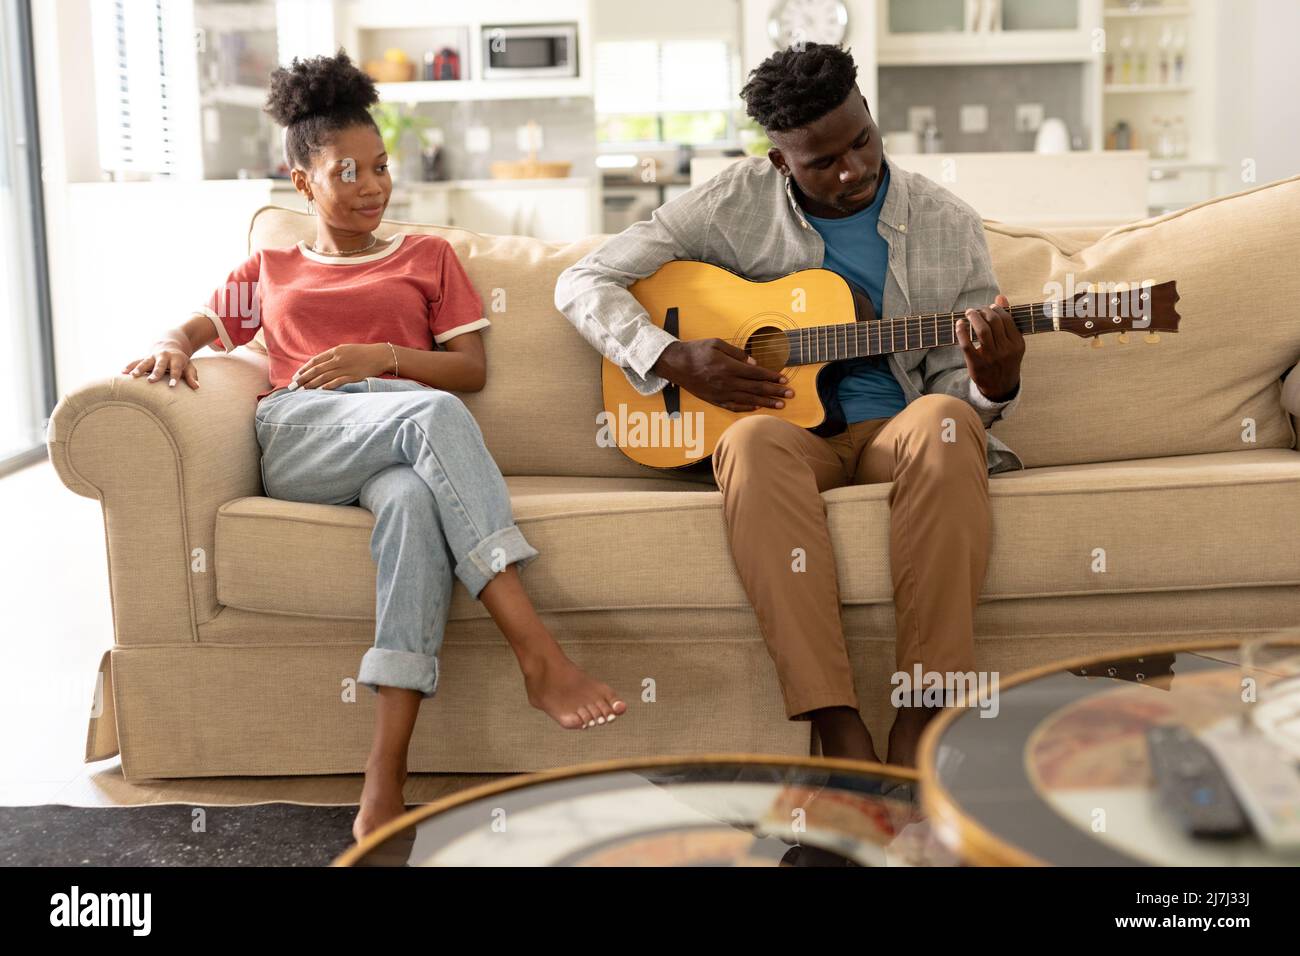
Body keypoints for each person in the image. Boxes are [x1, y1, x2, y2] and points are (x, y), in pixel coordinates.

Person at [120, 50, 626, 840]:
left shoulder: (430, 257)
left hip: (402, 440)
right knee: (430, 417)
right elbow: (194, 325)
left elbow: (470, 369)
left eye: (380, 167)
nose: (371, 186)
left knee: (416, 506)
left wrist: (379, 359)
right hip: (303, 435)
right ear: (302, 183)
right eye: (347, 172)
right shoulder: (274, 265)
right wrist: (171, 346)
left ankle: (383, 777)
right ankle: (538, 653)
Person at [555, 43, 1025, 767]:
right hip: (782, 435)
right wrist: (672, 356)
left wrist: (992, 381)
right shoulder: (728, 202)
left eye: (861, 141)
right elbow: (582, 282)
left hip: (890, 430)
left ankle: (925, 712)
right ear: (780, 162)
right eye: (823, 162)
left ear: (868, 113)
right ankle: (834, 725)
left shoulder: (945, 222)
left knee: (948, 421)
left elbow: (948, 386)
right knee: (745, 444)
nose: (853, 170)